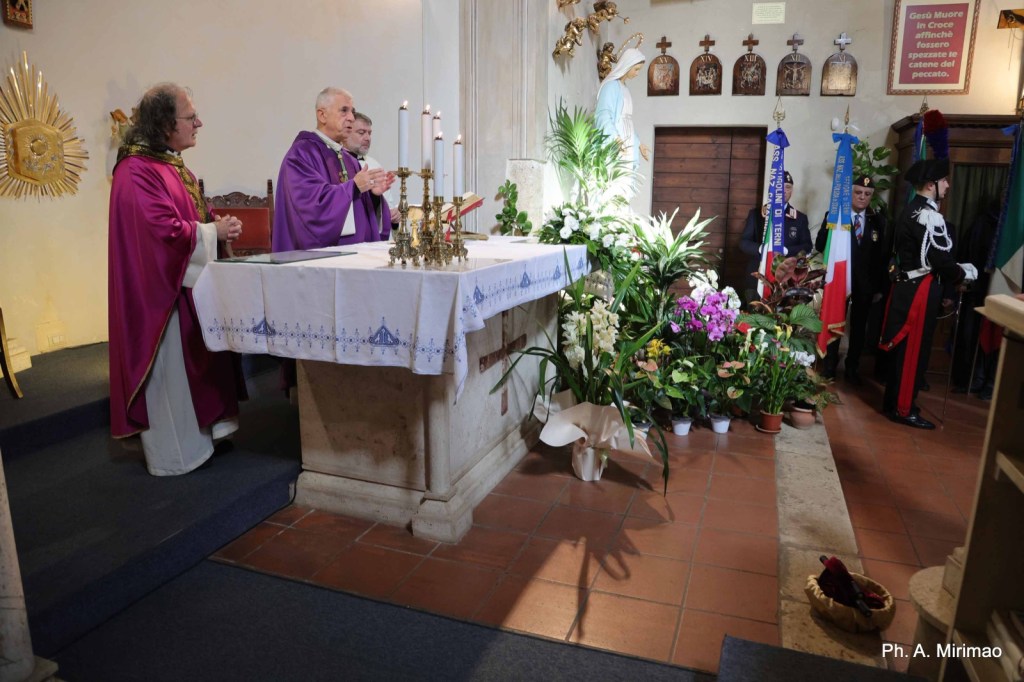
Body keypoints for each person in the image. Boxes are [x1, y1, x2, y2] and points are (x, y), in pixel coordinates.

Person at [108, 83, 246, 475]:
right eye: (190, 117)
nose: (198, 123)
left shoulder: (169, 162)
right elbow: (159, 233)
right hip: (160, 299)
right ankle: (178, 454)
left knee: (201, 361)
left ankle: (208, 433)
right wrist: (209, 234)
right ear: (166, 123)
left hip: (188, 287)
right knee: (171, 374)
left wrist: (215, 224)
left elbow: (189, 214)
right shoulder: (136, 170)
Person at [878, 158, 977, 429]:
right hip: (919, 290)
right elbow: (938, 259)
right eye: (944, 181)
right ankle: (903, 408)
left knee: (903, 350)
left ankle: (894, 401)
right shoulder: (928, 216)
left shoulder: (910, 210)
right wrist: (961, 274)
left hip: (907, 286)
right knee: (913, 351)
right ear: (931, 185)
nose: (947, 185)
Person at [273, 87, 395, 251]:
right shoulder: (302, 153)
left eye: (352, 111)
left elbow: (361, 216)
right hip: (317, 258)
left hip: (355, 255)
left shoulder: (349, 160)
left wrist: (372, 197)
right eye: (344, 111)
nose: (351, 118)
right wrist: (354, 186)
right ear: (322, 115)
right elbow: (310, 207)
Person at [814, 175, 889, 383]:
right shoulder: (835, 216)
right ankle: (829, 366)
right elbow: (821, 246)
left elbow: (882, 256)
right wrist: (831, 226)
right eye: (858, 193)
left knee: (859, 327)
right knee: (834, 321)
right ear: (851, 193)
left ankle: (852, 367)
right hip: (840, 281)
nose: (862, 197)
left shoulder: (877, 220)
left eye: (867, 194)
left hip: (865, 284)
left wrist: (880, 287)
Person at [738, 171, 812, 304]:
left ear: (791, 191)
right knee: (753, 319)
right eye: (780, 187)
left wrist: (787, 251)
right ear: (773, 189)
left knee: (783, 321)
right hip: (757, 276)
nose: (783, 191)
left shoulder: (799, 218)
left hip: (787, 279)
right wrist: (762, 248)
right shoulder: (756, 214)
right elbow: (744, 243)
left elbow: (807, 246)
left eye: (788, 187)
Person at [595, 47, 650, 171]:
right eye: (636, 69)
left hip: (627, 140)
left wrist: (638, 143)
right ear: (628, 65)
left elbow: (627, 121)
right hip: (617, 139)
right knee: (615, 177)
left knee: (625, 180)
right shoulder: (610, 87)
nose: (637, 73)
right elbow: (603, 115)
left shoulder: (625, 88)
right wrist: (615, 138)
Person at [341, 112, 398, 226]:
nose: (367, 138)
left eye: (369, 133)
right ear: (346, 133)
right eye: (361, 133)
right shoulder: (336, 162)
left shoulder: (374, 164)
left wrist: (394, 216)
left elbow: (388, 207)